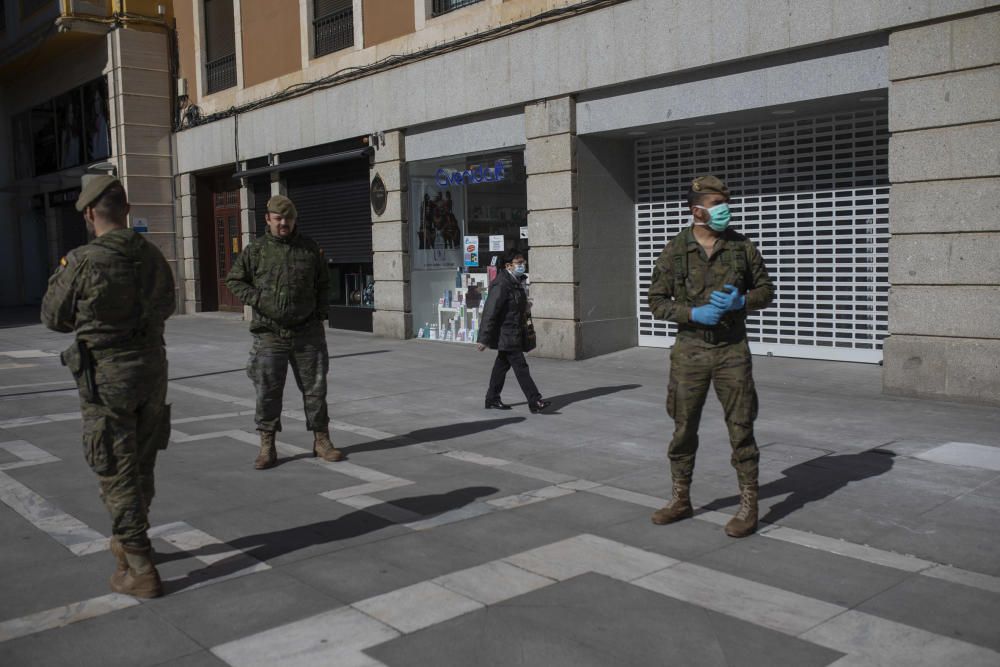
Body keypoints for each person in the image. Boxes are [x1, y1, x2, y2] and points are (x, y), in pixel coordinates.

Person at [41, 174, 176, 597]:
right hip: (152, 372)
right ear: (127, 210)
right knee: (142, 461)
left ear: (88, 213)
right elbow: (167, 305)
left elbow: (52, 316)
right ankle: (126, 539)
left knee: (116, 471)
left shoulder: (82, 260)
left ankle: (140, 566)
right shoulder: (152, 255)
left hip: (107, 380)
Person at [646, 175, 775, 538]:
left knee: (741, 427)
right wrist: (691, 314)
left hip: (732, 350)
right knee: (684, 427)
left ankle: (749, 505)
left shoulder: (741, 247)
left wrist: (742, 302)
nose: (724, 210)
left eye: (725, 203)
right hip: (690, 352)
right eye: (716, 203)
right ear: (696, 210)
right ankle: (680, 499)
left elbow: (766, 290)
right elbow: (656, 301)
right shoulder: (675, 249)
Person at [225, 195, 344, 469]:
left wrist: (320, 313)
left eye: (288, 219)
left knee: (316, 389)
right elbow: (234, 280)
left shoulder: (309, 249)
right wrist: (257, 299)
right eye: (278, 219)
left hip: (307, 333)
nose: (284, 224)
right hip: (270, 334)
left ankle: (321, 439)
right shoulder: (255, 251)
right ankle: (267, 444)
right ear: (267, 219)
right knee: (268, 390)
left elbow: (324, 284)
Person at [477, 250, 551, 413]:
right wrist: (483, 338)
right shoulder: (501, 284)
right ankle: (534, 400)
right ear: (508, 266)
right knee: (521, 367)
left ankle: (492, 398)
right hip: (507, 333)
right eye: (519, 263)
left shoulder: (516, 281)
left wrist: (525, 307)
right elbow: (490, 311)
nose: (522, 265)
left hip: (515, 331)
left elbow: (514, 305)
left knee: (501, 366)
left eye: (523, 262)